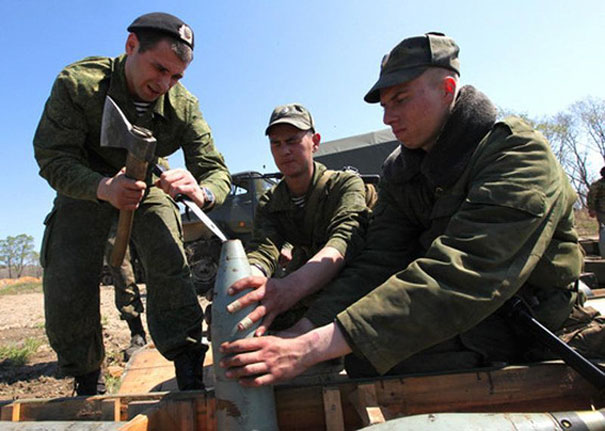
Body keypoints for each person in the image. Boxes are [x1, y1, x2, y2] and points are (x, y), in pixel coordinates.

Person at [219, 32, 602, 386]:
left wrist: (312, 345)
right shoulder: (402, 172)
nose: (388, 117)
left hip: (535, 320)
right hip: (457, 316)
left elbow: (467, 270)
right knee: (367, 360)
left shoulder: (516, 153)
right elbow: (376, 263)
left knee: (384, 359)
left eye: (400, 99)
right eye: (384, 106)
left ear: (447, 89)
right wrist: (306, 328)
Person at [34, 12, 231, 394]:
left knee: (169, 253)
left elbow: (214, 170)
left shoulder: (183, 105)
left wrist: (201, 190)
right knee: (67, 272)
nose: (164, 84)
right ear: (131, 47)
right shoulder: (79, 85)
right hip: (86, 185)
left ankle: (187, 360)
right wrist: (104, 187)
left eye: (175, 77)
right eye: (158, 68)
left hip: (149, 183)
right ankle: (87, 376)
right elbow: (52, 158)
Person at [226, 103, 370, 336]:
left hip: (348, 279)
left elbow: (344, 241)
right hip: (307, 286)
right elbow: (264, 248)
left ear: (315, 142)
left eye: (292, 140)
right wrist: (247, 282)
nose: (284, 151)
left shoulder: (344, 185)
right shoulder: (271, 201)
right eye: (276, 143)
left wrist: (288, 288)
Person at [104, 235, 147, 361]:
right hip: (114, 220)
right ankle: (137, 332)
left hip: (147, 216)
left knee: (162, 265)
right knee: (121, 270)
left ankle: (171, 333)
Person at [586, 167, 605, 257]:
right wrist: (592, 209)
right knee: (603, 230)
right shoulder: (597, 185)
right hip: (602, 211)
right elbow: (591, 197)